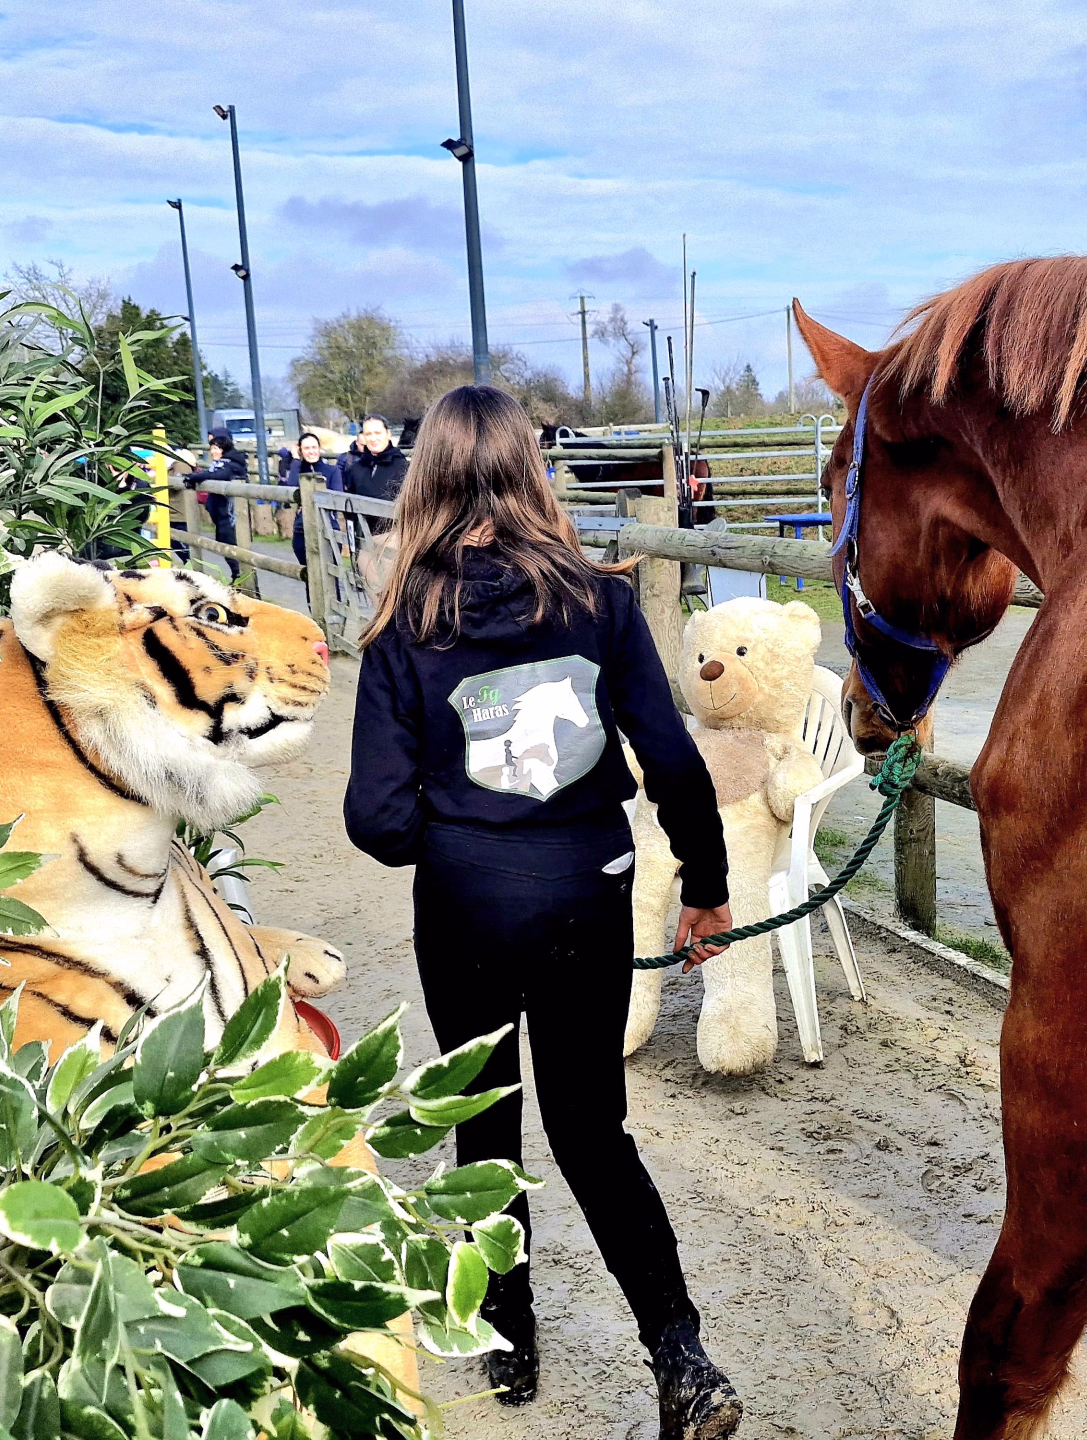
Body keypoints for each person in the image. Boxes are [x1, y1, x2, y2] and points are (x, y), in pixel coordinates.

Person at [344, 386, 743, 1438]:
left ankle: (510, 1346)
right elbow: (673, 762)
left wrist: (462, 831)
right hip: (587, 890)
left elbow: (378, 823)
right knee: (593, 1130)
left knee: (486, 1130)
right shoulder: (603, 604)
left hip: (466, 903)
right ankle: (681, 1352)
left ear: (423, 475)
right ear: (533, 469)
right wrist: (705, 884)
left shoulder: (400, 626)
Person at [177, 427, 246, 578]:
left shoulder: (231, 464)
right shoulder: (222, 462)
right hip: (220, 512)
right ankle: (237, 576)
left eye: (216, 447)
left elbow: (219, 475)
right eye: (211, 447)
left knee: (230, 544)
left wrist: (194, 477)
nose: (213, 451)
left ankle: (239, 576)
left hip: (229, 514)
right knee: (223, 543)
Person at [339, 413, 409, 533]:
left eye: (377, 433)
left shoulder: (403, 468)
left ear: (388, 434)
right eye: (368, 434)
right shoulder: (354, 469)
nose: (373, 438)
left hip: (392, 539)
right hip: (362, 539)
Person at [286, 430, 342, 568]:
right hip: (302, 528)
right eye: (306, 448)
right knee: (309, 576)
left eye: (314, 447)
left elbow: (337, 496)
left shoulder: (332, 470)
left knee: (330, 575)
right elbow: (291, 489)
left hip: (328, 527)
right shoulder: (297, 469)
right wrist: (295, 459)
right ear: (300, 450)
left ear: (319, 448)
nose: (311, 451)